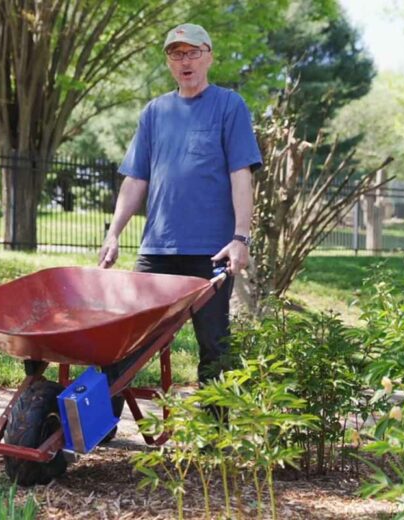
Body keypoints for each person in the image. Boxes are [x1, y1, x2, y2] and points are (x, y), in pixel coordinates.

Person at [98, 22, 262, 413]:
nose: (185, 61)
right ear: (169, 62)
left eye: (192, 52)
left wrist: (241, 238)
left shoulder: (228, 106)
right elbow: (136, 178)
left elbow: (241, 174)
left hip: (211, 252)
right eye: (176, 53)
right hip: (156, 249)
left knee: (214, 344)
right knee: (124, 337)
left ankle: (215, 431)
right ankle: (101, 423)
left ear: (208, 56)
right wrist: (114, 232)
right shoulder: (155, 112)